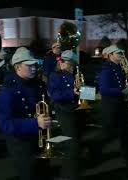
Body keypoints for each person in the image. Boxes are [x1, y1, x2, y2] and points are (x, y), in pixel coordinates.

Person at [0, 47, 51, 180]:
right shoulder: (8, 90)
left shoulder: (38, 84)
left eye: (35, 65)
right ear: (17, 67)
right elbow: (5, 124)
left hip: (39, 139)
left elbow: (46, 106)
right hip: (21, 143)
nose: (34, 68)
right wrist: (34, 123)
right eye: (29, 65)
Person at [94, 45, 128, 167]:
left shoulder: (119, 67)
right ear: (110, 55)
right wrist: (122, 91)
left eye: (121, 53)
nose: (121, 55)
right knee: (107, 132)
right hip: (110, 105)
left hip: (120, 103)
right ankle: (94, 148)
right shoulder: (106, 70)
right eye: (118, 53)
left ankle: (127, 154)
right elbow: (104, 90)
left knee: (124, 131)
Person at [48, 50, 81, 180]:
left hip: (76, 110)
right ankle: (68, 175)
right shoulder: (55, 76)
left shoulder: (75, 74)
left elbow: (82, 92)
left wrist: (87, 92)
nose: (63, 64)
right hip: (63, 110)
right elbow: (55, 96)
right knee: (71, 144)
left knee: (75, 142)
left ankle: (72, 170)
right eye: (62, 61)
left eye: (67, 62)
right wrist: (72, 92)